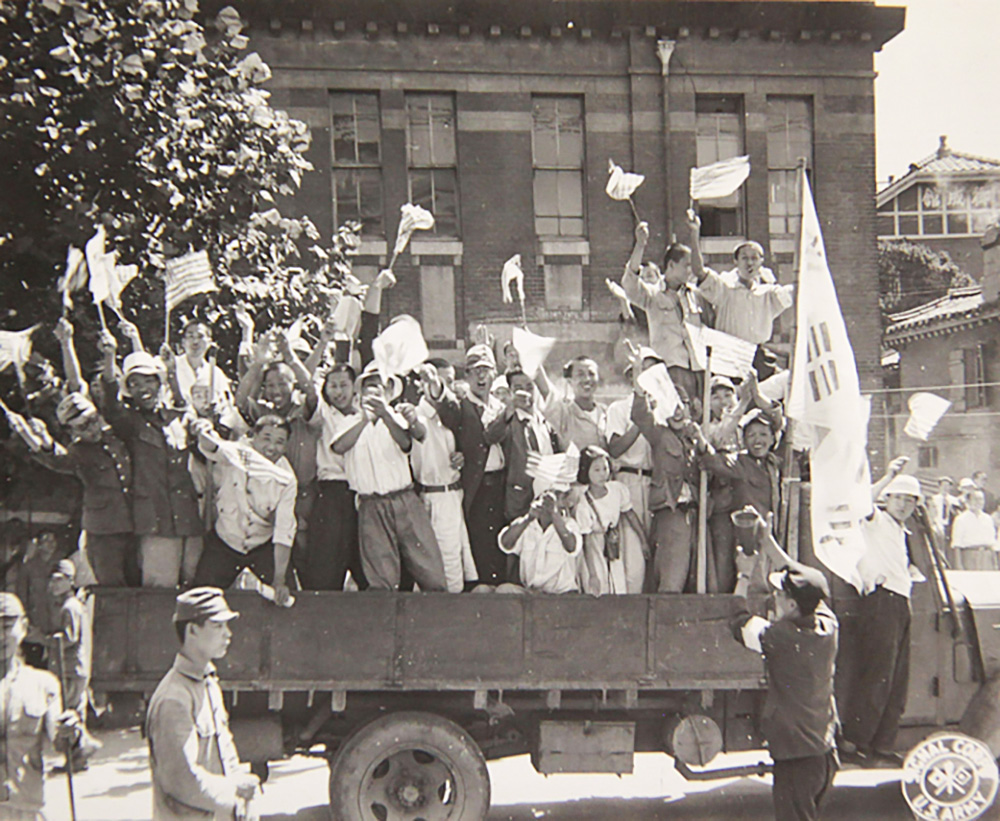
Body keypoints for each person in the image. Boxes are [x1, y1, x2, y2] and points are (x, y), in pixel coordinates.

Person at [731, 512, 839, 821]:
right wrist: (769, 544)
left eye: (780, 594)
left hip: (796, 759)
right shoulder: (827, 625)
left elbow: (738, 621)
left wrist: (744, 574)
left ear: (791, 605)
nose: (775, 597)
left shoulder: (779, 637)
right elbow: (808, 585)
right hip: (823, 753)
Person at [98, 331, 203, 588]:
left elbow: (184, 406)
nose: (143, 388)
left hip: (189, 518)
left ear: (158, 384)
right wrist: (110, 356)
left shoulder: (176, 418)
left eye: (148, 381)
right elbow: (110, 403)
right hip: (156, 522)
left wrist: (171, 371)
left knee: (197, 587)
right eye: (134, 384)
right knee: (159, 591)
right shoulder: (129, 422)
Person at [146, 587, 260, 821]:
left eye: (227, 625)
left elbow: (226, 752)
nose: (228, 634)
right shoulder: (174, 698)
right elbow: (183, 781)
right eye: (217, 626)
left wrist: (242, 795)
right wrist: (236, 793)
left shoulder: (208, 682)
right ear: (192, 630)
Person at [332, 364, 447, 592]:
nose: (374, 391)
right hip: (371, 504)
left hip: (404, 498)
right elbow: (339, 446)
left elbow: (405, 443)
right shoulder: (350, 420)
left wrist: (385, 415)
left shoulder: (398, 417)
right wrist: (366, 419)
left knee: (428, 565)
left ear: (389, 391)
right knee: (380, 575)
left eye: (380, 386)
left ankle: (437, 609)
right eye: (369, 386)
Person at [840, 458, 924, 767]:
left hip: (899, 602)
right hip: (881, 602)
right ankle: (856, 743)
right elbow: (860, 504)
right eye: (898, 498)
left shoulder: (901, 532)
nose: (903, 504)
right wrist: (888, 475)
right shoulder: (875, 521)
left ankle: (882, 744)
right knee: (877, 676)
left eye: (909, 500)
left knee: (896, 680)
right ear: (887, 498)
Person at [24, 392, 133, 587]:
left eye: (93, 420)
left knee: (136, 580)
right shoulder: (79, 452)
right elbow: (57, 460)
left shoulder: (113, 439)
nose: (92, 429)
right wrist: (43, 438)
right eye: (83, 427)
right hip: (104, 529)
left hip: (134, 521)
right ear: (72, 431)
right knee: (111, 584)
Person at [422, 345, 508, 585]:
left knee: (500, 542)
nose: (480, 376)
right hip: (476, 487)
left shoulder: (501, 407)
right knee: (477, 542)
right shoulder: (461, 405)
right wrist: (436, 385)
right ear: (467, 376)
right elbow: (447, 408)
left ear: (494, 373)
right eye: (473, 371)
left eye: (485, 370)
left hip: (500, 485)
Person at [236, 329, 321, 571]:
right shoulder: (262, 413)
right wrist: (258, 364)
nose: (276, 390)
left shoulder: (304, 410)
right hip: (269, 499)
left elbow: (312, 392)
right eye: (270, 385)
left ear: (293, 385)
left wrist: (290, 357)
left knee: (305, 557)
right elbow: (241, 402)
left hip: (304, 499)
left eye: (282, 383)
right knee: (273, 560)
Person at [191, 416, 296, 606]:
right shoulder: (236, 452)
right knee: (201, 598)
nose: (271, 447)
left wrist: (279, 580)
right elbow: (212, 447)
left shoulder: (287, 478)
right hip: (225, 541)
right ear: (253, 436)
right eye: (266, 438)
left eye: (279, 442)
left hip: (262, 545)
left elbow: (284, 532)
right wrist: (203, 431)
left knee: (286, 596)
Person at [0, 591, 86, 820]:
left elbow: (59, 742)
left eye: (6, 626)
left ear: (23, 627)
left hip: (27, 806)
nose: (0, 636)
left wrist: (71, 732)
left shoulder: (42, 684)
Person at [628, 351, 700, 593]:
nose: (677, 412)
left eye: (682, 405)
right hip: (672, 511)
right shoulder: (660, 434)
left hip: (695, 514)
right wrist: (638, 378)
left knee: (695, 578)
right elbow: (639, 415)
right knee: (671, 578)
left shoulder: (694, 438)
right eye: (671, 406)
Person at [696, 406, 785, 591]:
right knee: (751, 581)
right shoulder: (740, 462)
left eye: (763, 434)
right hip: (748, 536)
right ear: (743, 441)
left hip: (770, 533)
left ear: (772, 438)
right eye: (751, 435)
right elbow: (714, 461)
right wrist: (701, 442)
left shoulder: (774, 464)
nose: (757, 440)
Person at [399, 385, 478, 594]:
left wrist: (460, 456)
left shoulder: (454, 417)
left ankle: (450, 607)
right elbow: (417, 435)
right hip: (425, 495)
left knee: (451, 559)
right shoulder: (414, 415)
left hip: (450, 495)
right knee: (426, 562)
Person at [619, 221, 704, 400]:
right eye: (687, 265)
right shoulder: (653, 295)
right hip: (670, 368)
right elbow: (630, 284)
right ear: (671, 265)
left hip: (698, 368)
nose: (691, 270)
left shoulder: (695, 294)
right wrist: (640, 245)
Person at [688, 211, 794, 350]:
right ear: (736, 261)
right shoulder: (724, 288)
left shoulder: (768, 293)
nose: (749, 263)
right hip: (728, 352)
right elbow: (699, 271)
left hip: (757, 353)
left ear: (761, 262)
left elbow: (793, 292)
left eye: (754, 258)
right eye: (744, 258)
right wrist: (694, 233)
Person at [603, 350, 660, 594]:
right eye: (641, 370)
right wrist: (641, 419)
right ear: (630, 377)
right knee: (633, 555)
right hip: (629, 481)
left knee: (657, 554)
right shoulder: (618, 408)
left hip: (656, 484)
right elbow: (615, 448)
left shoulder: (666, 407)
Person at [304, 363, 365, 591]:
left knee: (367, 565)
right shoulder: (324, 413)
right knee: (326, 568)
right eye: (333, 386)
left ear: (354, 387)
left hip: (363, 494)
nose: (339, 392)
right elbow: (307, 387)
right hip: (332, 494)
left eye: (344, 385)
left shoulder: (365, 414)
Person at [484, 368, 559, 523]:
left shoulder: (543, 420)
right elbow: (490, 436)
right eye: (518, 388)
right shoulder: (508, 420)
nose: (525, 392)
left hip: (548, 498)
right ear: (510, 391)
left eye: (529, 387)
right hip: (521, 503)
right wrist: (510, 408)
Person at [574, 446, 647, 596]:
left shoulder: (617, 490)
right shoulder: (583, 503)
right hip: (594, 548)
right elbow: (587, 542)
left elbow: (630, 515)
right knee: (599, 587)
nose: (602, 474)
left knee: (618, 583)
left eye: (605, 468)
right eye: (596, 470)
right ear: (586, 471)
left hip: (613, 544)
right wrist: (592, 574)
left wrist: (643, 540)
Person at [498, 488, 583, 595]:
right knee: (503, 590)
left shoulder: (569, 524)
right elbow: (505, 544)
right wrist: (528, 518)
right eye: (543, 500)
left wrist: (555, 515)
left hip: (560, 595)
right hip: (532, 594)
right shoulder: (525, 524)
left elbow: (572, 547)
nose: (546, 506)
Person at [47, 561, 91, 740]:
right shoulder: (72, 605)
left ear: (70, 581)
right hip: (76, 668)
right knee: (76, 713)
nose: (54, 584)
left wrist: (41, 638)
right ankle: (78, 751)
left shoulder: (70, 607)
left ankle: (76, 751)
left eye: (59, 580)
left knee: (70, 715)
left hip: (70, 669)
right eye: (52, 580)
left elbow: (68, 639)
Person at [536, 355, 607, 452]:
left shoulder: (606, 412)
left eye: (591, 374)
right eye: (580, 375)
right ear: (570, 381)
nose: (587, 379)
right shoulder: (563, 412)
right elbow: (544, 388)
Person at [175, 321, 233, 409]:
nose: (195, 342)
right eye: (191, 336)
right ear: (183, 342)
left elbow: (227, 403)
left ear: (209, 342)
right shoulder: (171, 365)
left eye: (200, 336)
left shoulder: (216, 373)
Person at [950, 488, 998, 570]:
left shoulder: (988, 519)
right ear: (968, 501)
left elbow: (992, 543)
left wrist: (995, 564)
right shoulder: (961, 519)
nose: (979, 502)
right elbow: (956, 544)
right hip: (969, 556)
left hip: (986, 557)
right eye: (975, 499)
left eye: (981, 499)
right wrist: (959, 566)